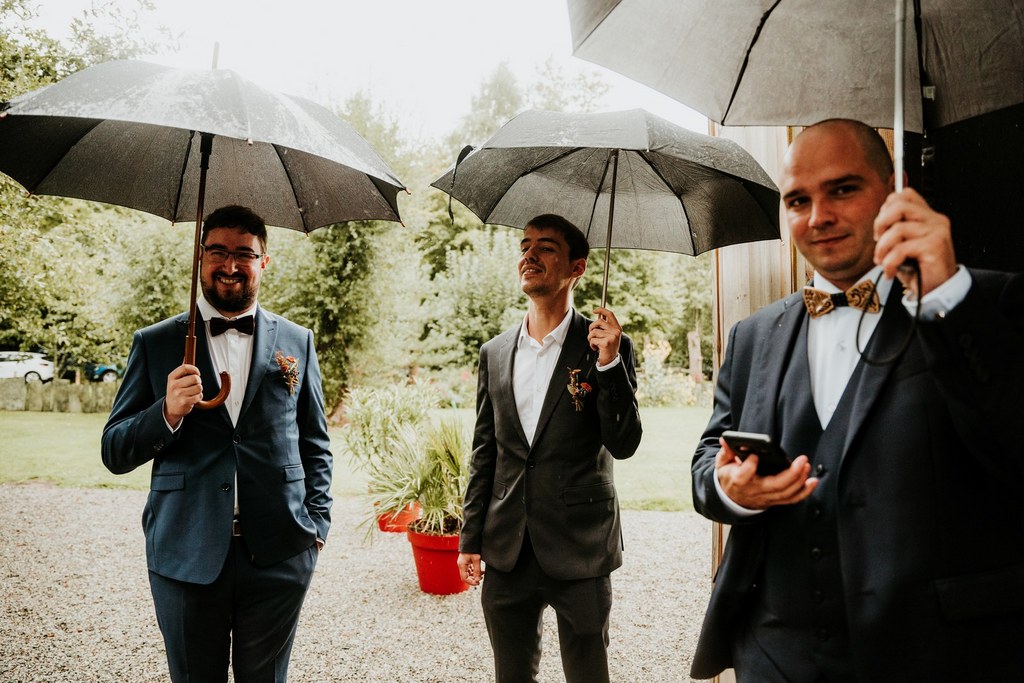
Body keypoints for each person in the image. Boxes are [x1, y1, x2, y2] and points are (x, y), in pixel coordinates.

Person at [689, 119, 1024, 681]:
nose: (818, 216)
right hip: (773, 654)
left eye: (842, 189)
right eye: (798, 200)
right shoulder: (754, 335)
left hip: (931, 655)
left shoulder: (987, 302)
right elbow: (706, 460)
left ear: (896, 189)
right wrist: (730, 488)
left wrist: (945, 296)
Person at [102, 205, 333, 683]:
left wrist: (316, 529)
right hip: (185, 553)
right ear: (199, 258)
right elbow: (114, 449)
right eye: (218, 252)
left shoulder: (298, 341)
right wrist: (165, 412)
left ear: (264, 262)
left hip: (279, 554)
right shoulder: (156, 342)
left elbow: (314, 442)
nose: (230, 265)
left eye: (244, 254)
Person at [457, 213, 644, 683]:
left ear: (577, 267)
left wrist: (608, 365)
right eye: (525, 246)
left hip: (580, 544)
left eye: (545, 247)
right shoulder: (494, 352)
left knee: (587, 675)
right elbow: (486, 452)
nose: (529, 255)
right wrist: (470, 538)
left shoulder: (605, 347)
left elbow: (624, 444)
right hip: (507, 547)